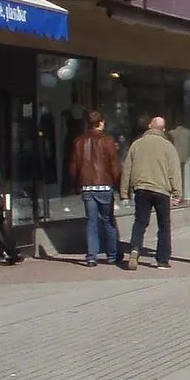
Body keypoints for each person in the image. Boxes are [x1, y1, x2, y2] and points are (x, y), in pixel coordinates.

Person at [122, 115, 183, 268]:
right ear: (163, 129)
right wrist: (177, 193)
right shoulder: (168, 146)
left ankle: (135, 249)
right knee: (164, 225)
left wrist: (124, 192)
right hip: (162, 190)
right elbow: (174, 172)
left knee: (140, 222)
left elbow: (127, 170)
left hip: (141, 189)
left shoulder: (136, 145)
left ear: (149, 126)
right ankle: (162, 260)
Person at [68, 108, 123, 267]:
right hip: (104, 185)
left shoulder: (79, 141)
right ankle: (112, 255)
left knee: (91, 222)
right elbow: (114, 165)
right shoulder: (107, 140)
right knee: (107, 221)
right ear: (101, 122)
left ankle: (91, 256)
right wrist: (118, 185)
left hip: (87, 185)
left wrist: (76, 184)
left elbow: (73, 167)